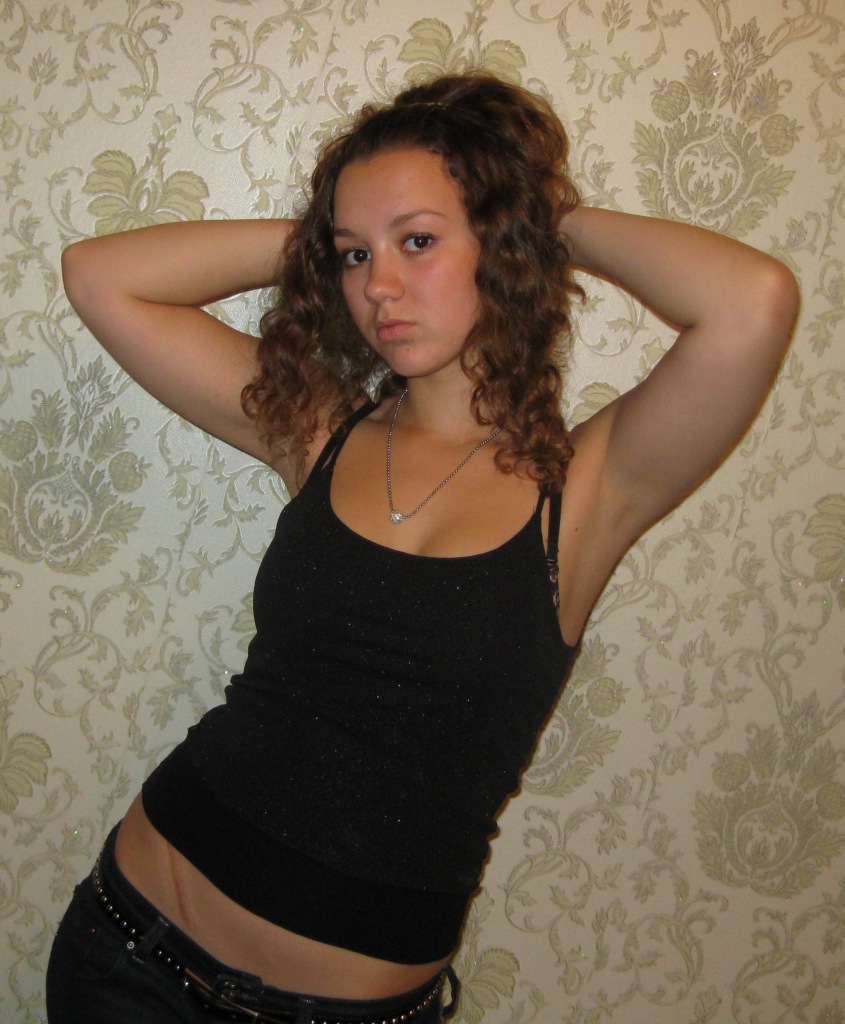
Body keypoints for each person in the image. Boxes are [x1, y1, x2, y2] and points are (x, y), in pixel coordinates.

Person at [45, 73, 798, 1024]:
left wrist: (535, 218)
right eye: (354, 255)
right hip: (130, 954)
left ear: (500, 242)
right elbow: (100, 275)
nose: (377, 287)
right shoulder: (317, 431)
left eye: (417, 241)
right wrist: (318, 245)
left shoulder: (587, 491)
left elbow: (752, 302)